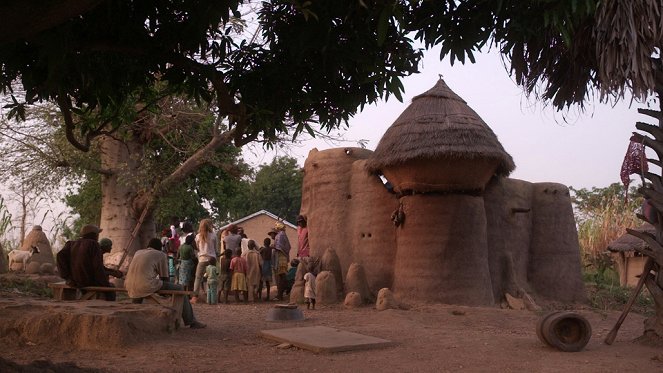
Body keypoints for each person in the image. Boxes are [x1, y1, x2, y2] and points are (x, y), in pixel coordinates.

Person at [124, 238, 205, 329]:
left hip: (128, 284)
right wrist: (166, 293)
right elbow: (164, 278)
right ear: (160, 248)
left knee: (141, 285)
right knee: (180, 289)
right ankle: (191, 321)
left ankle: (133, 316)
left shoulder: (138, 252)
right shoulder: (160, 255)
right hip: (145, 285)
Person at [56, 224, 116, 301]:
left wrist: (67, 277)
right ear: (94, 235)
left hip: (74, 281)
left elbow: (59, 257)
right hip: (88, 281)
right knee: (111, 289)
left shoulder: (71, 243)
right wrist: (105, 284)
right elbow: (98, 268)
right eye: (97, 234)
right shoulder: (93, 244)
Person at [193, 218, 217, 304]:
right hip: (212, 258)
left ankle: (195, 297)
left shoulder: (198, 236)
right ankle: (211, 296)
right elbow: (215, 248)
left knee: (198, 278)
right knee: (211, 277)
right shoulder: (213, 235)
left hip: (202, 259)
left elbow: (197, 248)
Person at [273, 222, 291, 301]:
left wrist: (272, 247)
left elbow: (279, 246)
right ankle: (281, 293)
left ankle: (281, 294)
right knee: (281, 276)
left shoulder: (280, 235)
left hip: (281, 257)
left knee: (282, 276)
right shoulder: (282, 234)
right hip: (281, 256)